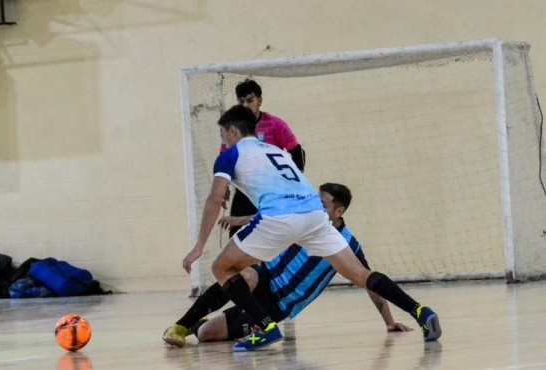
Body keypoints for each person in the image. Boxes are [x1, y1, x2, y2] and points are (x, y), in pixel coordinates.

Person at [182, 105, 441, 352]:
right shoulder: (275, 151)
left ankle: (265, 327)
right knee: (362, 274)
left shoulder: (229, 155)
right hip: (315, 215)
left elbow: (215, 200)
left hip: (279, 219)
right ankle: (420, 311)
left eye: (223, 135)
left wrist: (198, 248)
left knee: (221, 267)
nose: (223, 141)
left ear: (234, 131)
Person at [163, 183, 412, 347]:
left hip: (279, 304)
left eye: (322, 205)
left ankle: (201, 325)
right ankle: (183, 324)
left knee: (207, 335)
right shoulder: (304, 220)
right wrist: (239, 219)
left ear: (339, 211)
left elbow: (370, 283)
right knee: (243, 273)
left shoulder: (348, 246)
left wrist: (389, 322)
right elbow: (274, 218)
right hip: (265, 277)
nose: (314, 207)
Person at [226, 79, 306, 237]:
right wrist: (223, 186)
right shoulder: (233, 129)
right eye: (241, 101)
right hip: (245, 191)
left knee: (274, 236)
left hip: (272, 191)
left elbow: (297, 152)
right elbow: (225, 159)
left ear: (259, 101)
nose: (245, 106)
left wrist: (293, 184)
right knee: (237, 236)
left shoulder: (276, 125)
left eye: (250, 100)